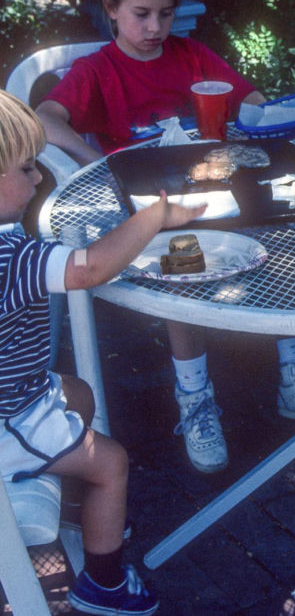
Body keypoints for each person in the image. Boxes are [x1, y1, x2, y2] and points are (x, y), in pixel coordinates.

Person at [35, 0, 295, 474]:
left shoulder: (190, 56)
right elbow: (44, 116)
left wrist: (258, 118)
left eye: (165, 14)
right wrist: (93, 157)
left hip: (216, 184)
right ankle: (194, 396)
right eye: (141, 14)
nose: (155, 28)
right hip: (153, 204)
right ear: (112, 9)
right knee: (183, 259)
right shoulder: (98, 69)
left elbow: (251, 98)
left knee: (286, 226)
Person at [0, 90, 207, 613]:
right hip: (7, 420)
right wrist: (155, 216)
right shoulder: (9, 257)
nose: (38, 179)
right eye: (25, 168)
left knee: (79, 393)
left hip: (20, 392)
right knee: (112, 461)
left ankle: (79, 506)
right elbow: (90, 267)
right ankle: (104, 584)